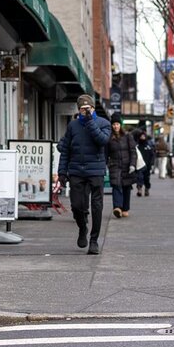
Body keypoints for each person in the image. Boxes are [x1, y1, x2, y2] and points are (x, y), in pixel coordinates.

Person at [56, 95, 112, 254]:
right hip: (76, 171)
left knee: (97, 206)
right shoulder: (73, 126)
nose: (86, 111)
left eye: (89, 109)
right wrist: (62, 172)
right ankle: (82, 227)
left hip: (96, 171)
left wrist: (90, 122)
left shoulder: (103, 123)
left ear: (93, 108)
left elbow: (102, 140)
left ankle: (94, 240)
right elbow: (65, 150)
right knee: (77, 206)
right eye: (83, 109)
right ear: (78, 110)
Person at [107, 120, 138, 218]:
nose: (115, 126)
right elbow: (105, 153)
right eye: (114, 124)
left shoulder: (127, 136)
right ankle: (117, 208)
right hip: (115, 166)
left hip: (127, 165)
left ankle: (125, 208)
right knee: (116, 186)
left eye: (117, 124)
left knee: (126, 187)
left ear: (120, 125)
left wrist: (132, 164)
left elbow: (133, 151)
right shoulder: (109, 138)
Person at [134, 129, 156, 196]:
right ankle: (139, 189)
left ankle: (147, 189)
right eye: (141, 136)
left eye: (143, 136)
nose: (142, 137)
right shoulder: (137, 146)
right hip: (139, 165)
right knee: (139, 178)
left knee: (146, 178)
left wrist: (151, 163)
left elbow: (152, 155)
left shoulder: (148, 146)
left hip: (147, 165)